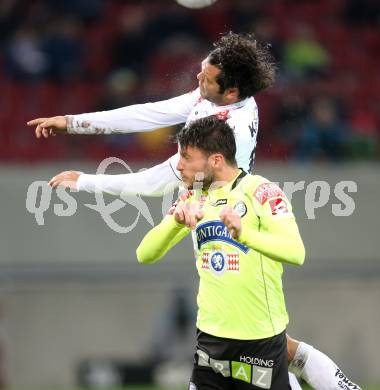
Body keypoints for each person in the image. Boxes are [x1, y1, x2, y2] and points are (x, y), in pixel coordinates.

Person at [27, 32, 361, 390]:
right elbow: (151, 113)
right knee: (272, 353)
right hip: (209, 218)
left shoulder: (221, 133)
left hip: (234, 232)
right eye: (202, 70)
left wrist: (86, 182)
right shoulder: (216, 102)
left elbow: (153, 182)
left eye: (206, 76)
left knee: (269, 350)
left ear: (230, 91)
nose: (198, 79)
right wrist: (73, 122)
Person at [137, 116, 305, 389]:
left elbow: (296, 252)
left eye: (187, 157)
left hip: (259, 342)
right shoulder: (193, 197)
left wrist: (245, 234)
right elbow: (144, 253)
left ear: (215, 160)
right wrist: (176, 223)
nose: (178, 166)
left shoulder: (261, 192)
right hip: (210, 342)